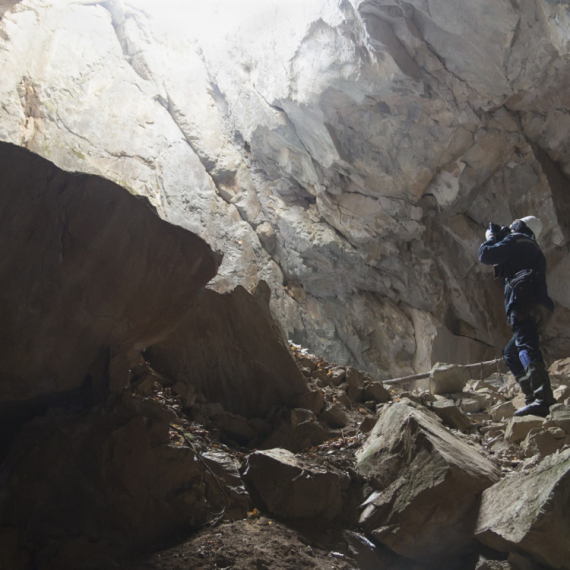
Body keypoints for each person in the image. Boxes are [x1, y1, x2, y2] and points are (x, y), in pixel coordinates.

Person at [479, 215, 556, 417]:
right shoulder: (532, 248)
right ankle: (531, 397)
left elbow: (486, 255)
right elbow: (508, 267)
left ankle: (543, 399)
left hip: (524, 304)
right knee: (511, 354)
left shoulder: (517, 240)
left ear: (520, 226)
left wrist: (491, 238)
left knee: (526, 347)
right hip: (539, 307)